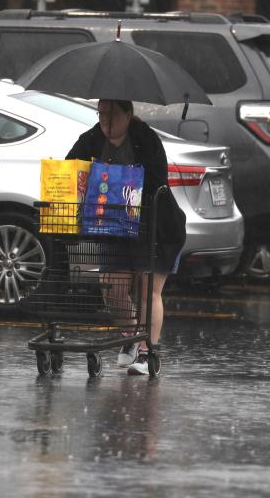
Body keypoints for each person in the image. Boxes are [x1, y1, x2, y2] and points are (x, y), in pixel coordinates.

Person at [65, 99, 179, 375]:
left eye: (112, 114)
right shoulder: (92, 138)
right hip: (115, 226)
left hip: (155, 225)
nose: (105, 121)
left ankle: (146, 350)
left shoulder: (146, 140)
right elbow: (69, 167)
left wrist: (122, 179)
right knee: (111, 283)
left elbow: (158, 182)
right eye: (101, 114)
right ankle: (129, 336)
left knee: (147, 288)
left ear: (128, 115)